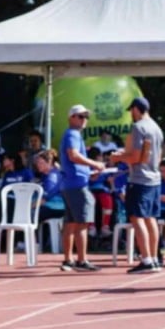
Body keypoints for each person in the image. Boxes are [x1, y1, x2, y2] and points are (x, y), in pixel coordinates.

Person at [110, 97, 165, 273]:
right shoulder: (156, 128)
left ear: (136, 109)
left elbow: (135, 157)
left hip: (140, 178)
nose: (131, 114)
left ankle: (146, 259)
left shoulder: (138, 127)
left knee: (136, 217)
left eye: (131, 110)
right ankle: (155, 258)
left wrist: (118, 157)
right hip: (155, 177)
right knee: (151, 219)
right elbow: (154, 154)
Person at [59, 104, 107, 272]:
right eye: (80, 116)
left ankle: (68, 260)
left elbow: (73, 159)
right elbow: (73, 155)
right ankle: (82, 260)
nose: (84, 119)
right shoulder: (72, 133)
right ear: (71, 117)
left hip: (71, 183)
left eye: (86, 116)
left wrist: (88, 172)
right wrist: (95, 164)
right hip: (77, 185)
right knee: (83, 222)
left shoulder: (71, 134)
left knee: (71, 222)